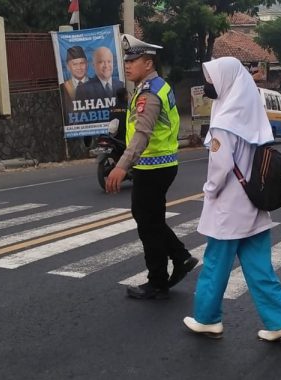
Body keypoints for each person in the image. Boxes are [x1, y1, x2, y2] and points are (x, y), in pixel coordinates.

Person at [182, 56, 281, 342]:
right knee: (260, 267)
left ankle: (207, 319)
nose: (209, 85)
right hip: (254, 205)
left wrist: (208, 191)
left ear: (227, 82)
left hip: (228, 208)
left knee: (215, 265)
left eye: (212, 80)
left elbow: (220, 168)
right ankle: (280, 321)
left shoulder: (224, 120)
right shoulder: (252, 114)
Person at [105, 34, 197, 300]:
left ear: (148, 63)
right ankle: (180, 257)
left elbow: (142, 134)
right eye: (127, 61)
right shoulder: (157, 86)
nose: (128, 65)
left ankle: (157, 280)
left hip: (152, 167)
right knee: (151, 220)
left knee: (147, 223)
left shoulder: (149, 93)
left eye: (133, 60)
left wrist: (122, 166)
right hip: (160, 164)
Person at [60, 46, 89, 116]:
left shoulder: (97, 85)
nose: (79, 68)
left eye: (82, 63)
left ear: (87, 64)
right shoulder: (63, 88)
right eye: (75, 64)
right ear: (68, 67)